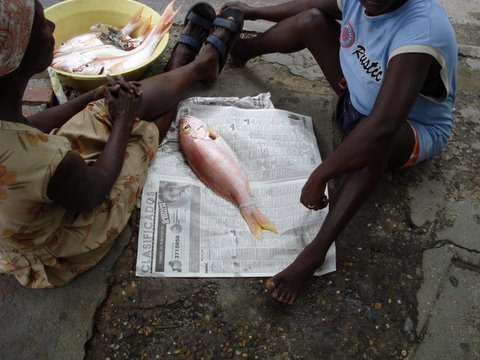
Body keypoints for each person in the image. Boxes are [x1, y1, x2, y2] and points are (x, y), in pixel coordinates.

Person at [222, 0, 457, 304]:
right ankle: (243, 50)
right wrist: (254, 12)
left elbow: (384, 125)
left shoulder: (423, 29)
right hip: (356, 96)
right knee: (309, 20)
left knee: (375, 143)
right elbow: (311, 6)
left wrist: (322, 174)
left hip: (409, 128)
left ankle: (315, 253)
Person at [0, 0, 244, 288]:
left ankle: (191, 69)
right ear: (15, 59)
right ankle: (193, 66)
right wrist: (123, 122)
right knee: (138, 137)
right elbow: (93, 190)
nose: (51, 27)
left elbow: (26, 127)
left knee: (107, 105)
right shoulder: (41, 161)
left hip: (36, 190)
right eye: (41, 25)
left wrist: (89, 98)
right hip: (57, 243)